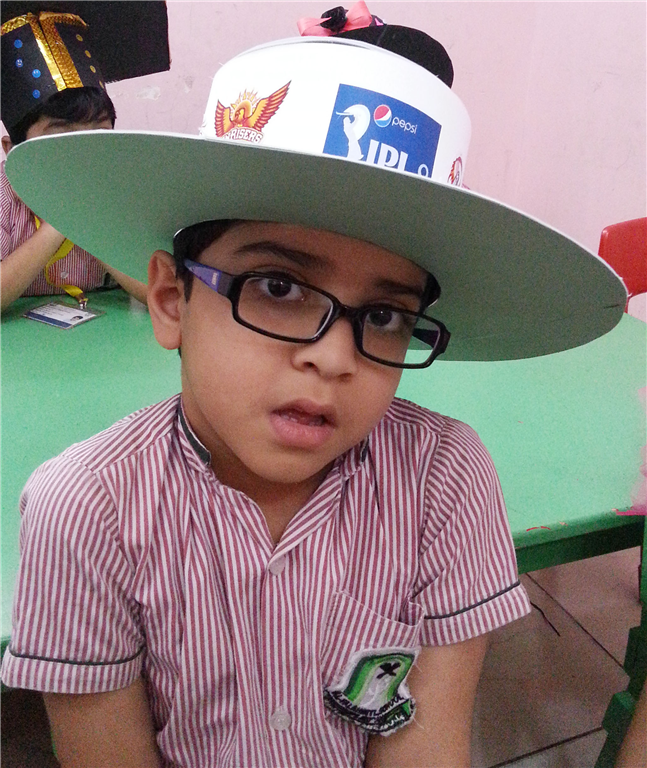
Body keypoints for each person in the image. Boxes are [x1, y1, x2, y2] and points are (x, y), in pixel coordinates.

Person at [0, 5, 625, 768]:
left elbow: (425, 747)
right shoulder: (83, 510)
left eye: (385, 315)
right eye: (277, 286)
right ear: (170, 300)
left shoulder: (444, 480)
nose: (332, 359)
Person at [0, 3, 170, 312]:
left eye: (98, 134)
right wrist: (59, 222)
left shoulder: (124, 194)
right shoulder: (4, 198)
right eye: (60, 137)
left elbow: (161, 294)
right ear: (13, 151)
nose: (80, 151)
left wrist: (88, 217)